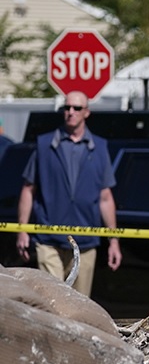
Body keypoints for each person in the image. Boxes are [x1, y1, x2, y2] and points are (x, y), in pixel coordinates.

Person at [16, 91, 121, 296]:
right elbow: (28, 190)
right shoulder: (44, 144)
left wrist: (114, 241)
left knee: (80, 308)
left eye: (77, 108)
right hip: (48, 240)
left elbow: (105, 197)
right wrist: (22, 230)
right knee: (53, 302)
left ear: (86, 113)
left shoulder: (99, 147)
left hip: (86, 242)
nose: (70, 112)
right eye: (67, 107)